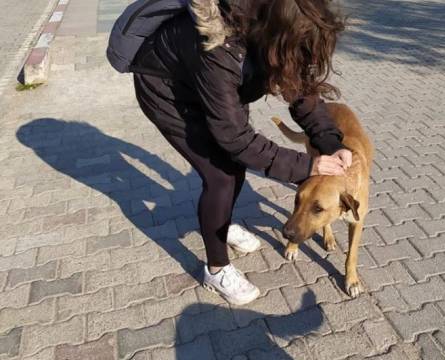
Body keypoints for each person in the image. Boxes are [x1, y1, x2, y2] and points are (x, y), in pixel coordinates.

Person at [130, 0, 351, 305]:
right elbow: (235, 138)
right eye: (294, 49)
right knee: (221, 174)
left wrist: (331, 142)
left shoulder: (271, 31)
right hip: (166, 87)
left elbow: (299, 87)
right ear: (275, 36)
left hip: (211, 82)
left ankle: (221, 224)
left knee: (235, 165)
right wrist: (307, 166)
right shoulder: (222, 47)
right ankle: (216, 269)